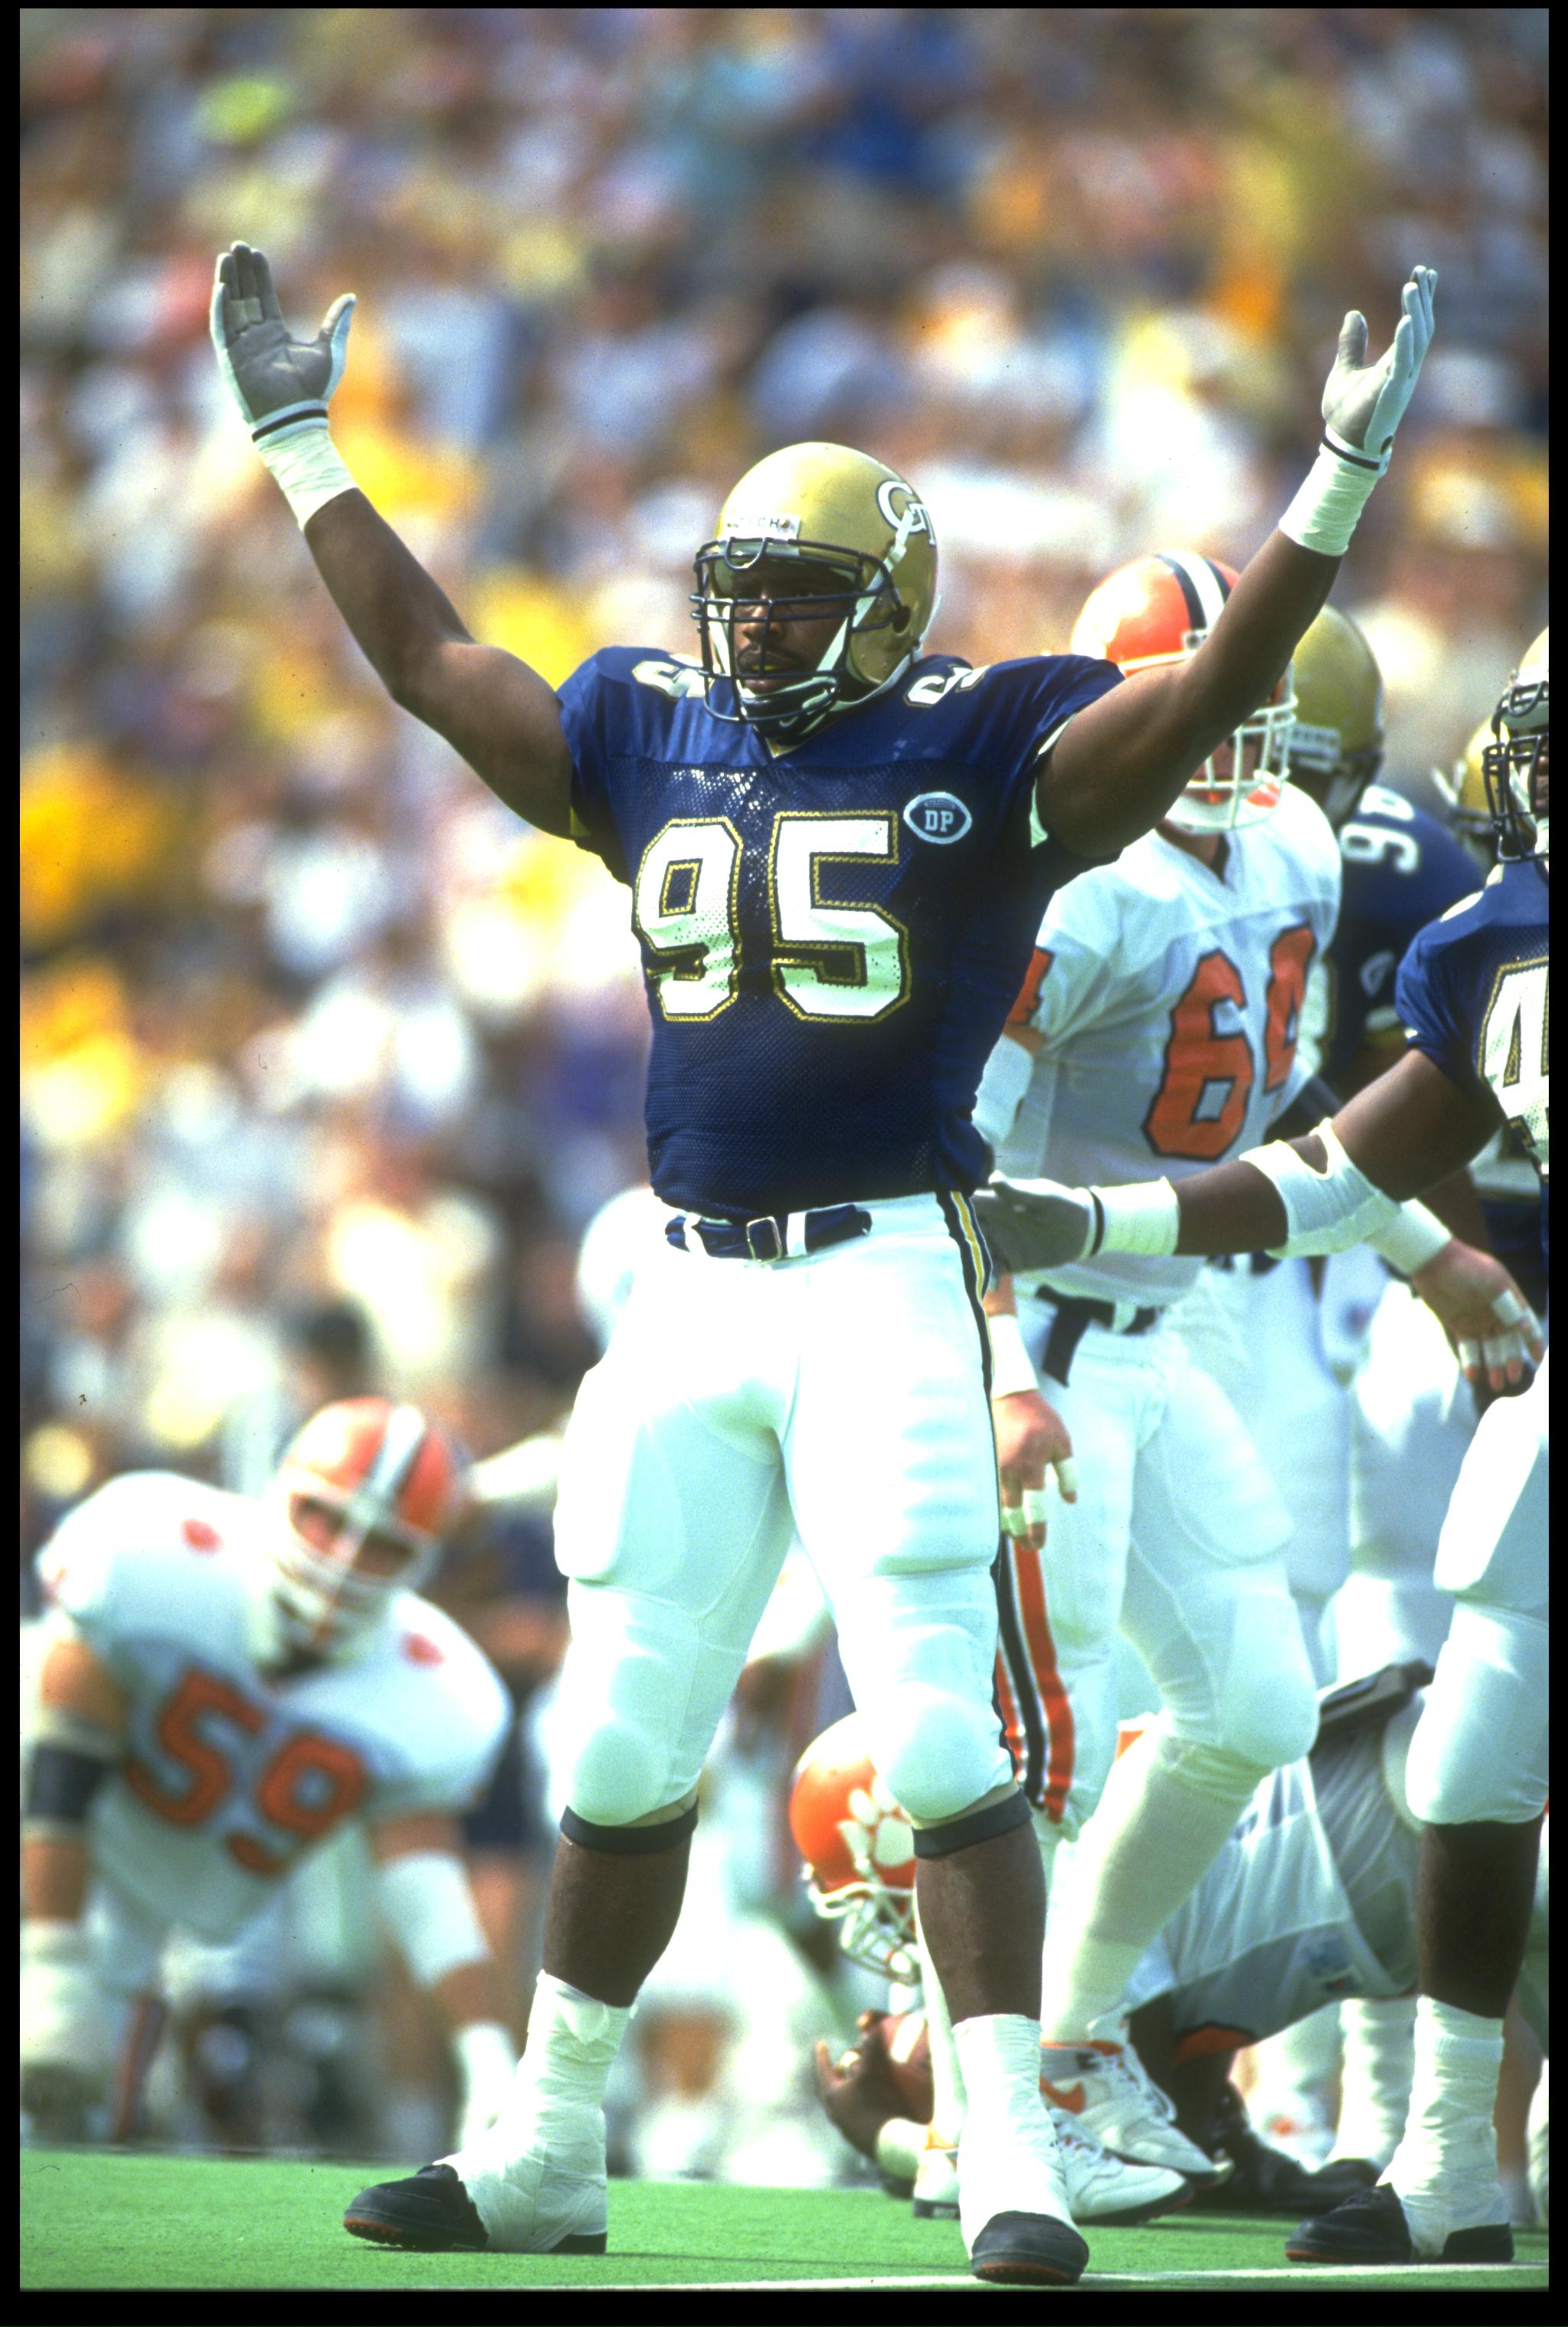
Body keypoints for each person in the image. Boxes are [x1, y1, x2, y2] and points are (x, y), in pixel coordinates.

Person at [212, 239, 1436, 2287]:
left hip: (885, 1267)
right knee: (616, 1736)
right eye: (742, 580)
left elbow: (1210, 689)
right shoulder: (644, 725)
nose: (758, 613)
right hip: (689, 1286)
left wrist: (1323, 486)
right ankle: (546, 2141)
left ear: (886, 604)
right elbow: (437, 665)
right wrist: (293, 438)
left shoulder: (980, 746)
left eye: (798, 586)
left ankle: (1000, 2149)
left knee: (944, 1731)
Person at [959, 553, 1527, 2205]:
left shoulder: (1287, 846)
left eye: (1244, 714)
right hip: (1048, 1326)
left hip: (1169, 1321)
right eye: (1180, 708)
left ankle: (1077, 2042)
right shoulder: (1064, 880)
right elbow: (966, 1154)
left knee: (1257, 1709)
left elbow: (1295, 1120)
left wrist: (1431, 1253)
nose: (1218, 748)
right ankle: (978, 2120)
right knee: (1042, 1745)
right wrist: (997, 1363)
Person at [802, 1675, 1549, 2214]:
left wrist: (890, 2133)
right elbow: (1185, 2130)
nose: (876, 1931)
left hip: (1424, 1815)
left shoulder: (1039, 1857)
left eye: (865, 1895)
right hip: (1431, 1870)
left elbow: (1134, 2140)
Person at [20, 1397, 517, 2154]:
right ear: (280, 1492)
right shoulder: (159, 1548)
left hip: (147, 1906)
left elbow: (424, 1880)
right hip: (46, 1844)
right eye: (326, 1517)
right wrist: (51, 1952)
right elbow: (66, 1725)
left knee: (71, 2140)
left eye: (383, 1542)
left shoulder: (433, 1686)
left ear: (422, 1561)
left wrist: (489, 2061)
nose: (345, 1558)